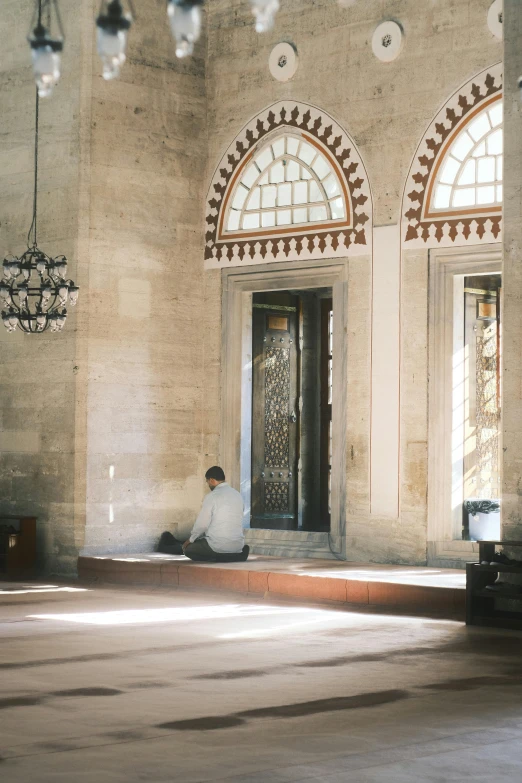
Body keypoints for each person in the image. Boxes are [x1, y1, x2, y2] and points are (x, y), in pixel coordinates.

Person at [157, 466, 249, 562]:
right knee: (203, 541)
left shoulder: (212, 497)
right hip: (237, 546)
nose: (208, 484)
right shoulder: (238, 495)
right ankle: (233, 556)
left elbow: (202, 524)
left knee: (188, 549)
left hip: (217, 546)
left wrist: (190, 540)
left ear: (212, 480)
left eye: (207, 481)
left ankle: (219, 557)